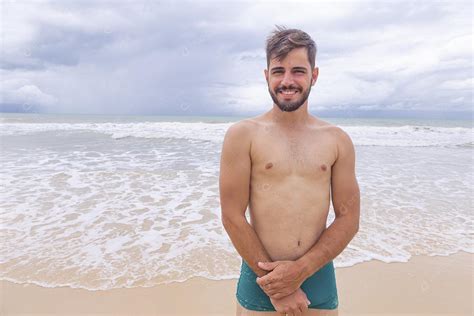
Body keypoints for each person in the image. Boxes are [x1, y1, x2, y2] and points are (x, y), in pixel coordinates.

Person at [219, 25, 360, 316]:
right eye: (278, 71)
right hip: (259, 272)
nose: (287, 80)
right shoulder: (243, 135)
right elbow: (232, 215)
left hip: (318, 275)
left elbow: (349, 217)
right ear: (266, 76)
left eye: (298, 70)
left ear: (314, 75)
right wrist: (276, 285)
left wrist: (299, 272)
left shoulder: (337, 140)